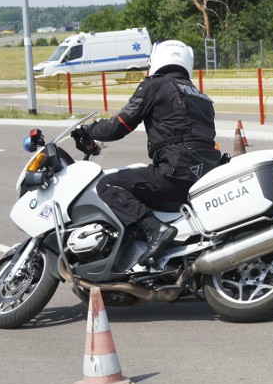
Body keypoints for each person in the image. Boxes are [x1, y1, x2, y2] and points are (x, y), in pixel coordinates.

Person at [71, 40, 221, 266]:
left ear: (156, 60)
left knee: (108, 185)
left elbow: (119, 125)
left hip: (174, 173)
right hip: (205, 176)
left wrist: (89, 130)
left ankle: (156, 231)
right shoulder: (202, 98)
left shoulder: (155, 85)